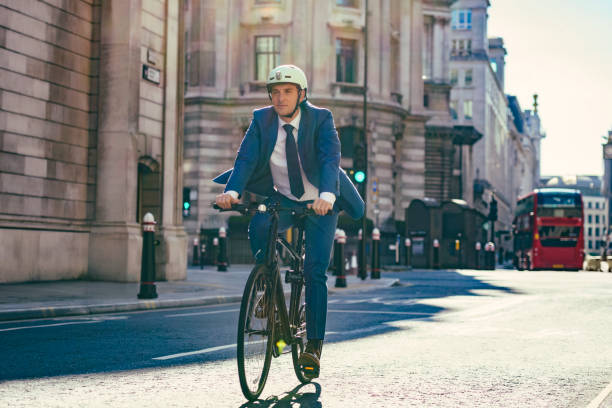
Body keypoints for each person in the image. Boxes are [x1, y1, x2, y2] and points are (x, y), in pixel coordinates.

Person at [213, 64, 364, 379]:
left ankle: (313, 348)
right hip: (283, 199)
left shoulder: (321, 119)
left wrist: (327, 196)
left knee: (314, 273)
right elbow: (245, 159)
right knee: (259, 224)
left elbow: (329, 159)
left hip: (320, 202)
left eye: (287, 92)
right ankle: (268, 287)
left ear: (302, 94)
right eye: (275, 92)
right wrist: (232, 192)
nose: (280, 98)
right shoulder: (261, 120)